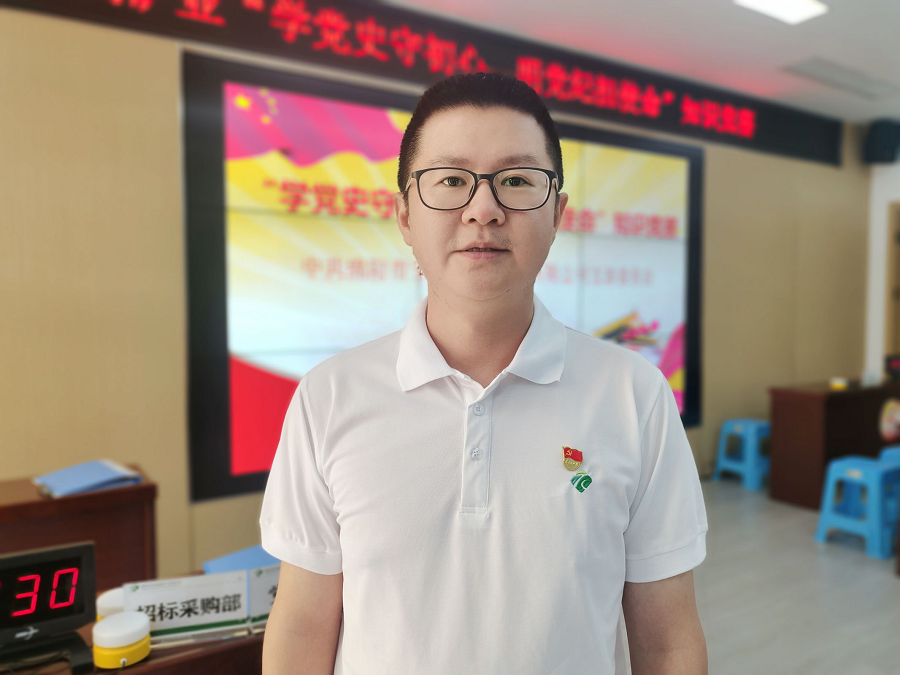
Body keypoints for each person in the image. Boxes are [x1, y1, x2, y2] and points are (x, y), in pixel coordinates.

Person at [259, 72, 709, 675]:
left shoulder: (635, 396)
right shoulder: (329, 396)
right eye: (450, 180)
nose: (483, 210)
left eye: (516, 181)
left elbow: (669, 641)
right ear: (404, 215)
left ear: (558, 213)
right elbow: (302, 627)